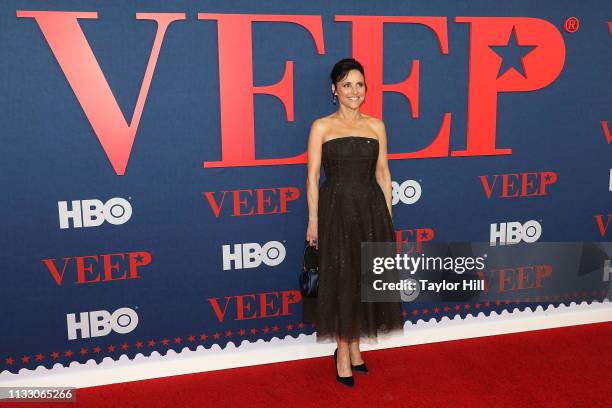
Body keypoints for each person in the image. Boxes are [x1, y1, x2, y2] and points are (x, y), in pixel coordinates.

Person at [303, 58, 404, 387]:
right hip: (335, 212)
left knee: (364, 279)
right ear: (334, 89)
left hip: (371, 211)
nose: (354, 91)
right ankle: (343, 352)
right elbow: (312, 177)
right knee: (342, 279)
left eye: (359, 84)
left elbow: (384, 173)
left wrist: (387, 218)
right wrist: (313, 222)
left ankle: (357, 347)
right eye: (347, 84)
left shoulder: (377, 125)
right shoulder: (322, 126)